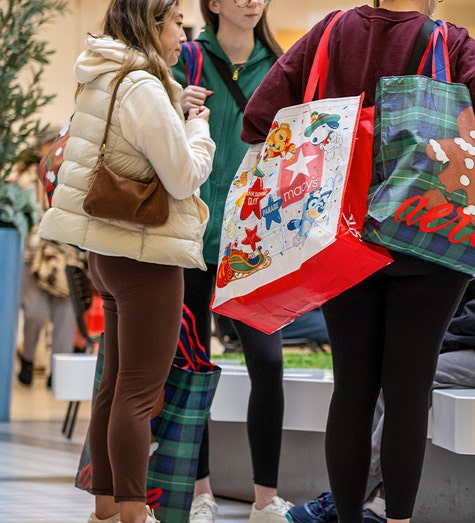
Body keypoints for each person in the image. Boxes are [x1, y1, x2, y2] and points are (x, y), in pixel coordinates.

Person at [241, 1, 475, 522]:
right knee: (409, 388)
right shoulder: (449, 42)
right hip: (430, 232)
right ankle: (398, 519)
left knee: (352, 384)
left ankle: (348, 517)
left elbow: (259, 117)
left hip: (342, 231)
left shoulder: (331, 32)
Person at [288, 173, 475, 523]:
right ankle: (372, 502)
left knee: (409, 376)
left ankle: (353, 498)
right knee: (393, 377)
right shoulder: (471, 210)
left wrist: (426, 342)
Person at [37, 0, 214, 520]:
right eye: (177, 21)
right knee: (140, 393)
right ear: (153, 20)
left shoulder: (106, 72)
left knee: (115, 387)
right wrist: (199, 130)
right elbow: (182, 176)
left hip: (108, 249)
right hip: (146, 254)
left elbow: (125, 147)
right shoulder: (141, 84)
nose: (183, 33)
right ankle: (136, 514)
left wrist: (176, 107)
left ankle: (108, 509)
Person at [169, 0, 291, 521]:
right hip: (192, 238)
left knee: (268, 364)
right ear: (212, 3)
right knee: (190, 364)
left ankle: (266, 499)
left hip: (253, 244)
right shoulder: (185, 60)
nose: (251, 1)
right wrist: (175, 104)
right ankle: (200, 493)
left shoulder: (283, 66)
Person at [12, 132, 80, 388]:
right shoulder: (26, 185)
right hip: (34, 260)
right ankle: (28, 358)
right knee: (35, 313)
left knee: (65, 319)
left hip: (67, 259)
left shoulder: (74, 177)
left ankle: (58, 375)